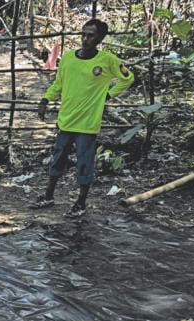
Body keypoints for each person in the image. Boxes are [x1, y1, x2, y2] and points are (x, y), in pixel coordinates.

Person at [33, 18, 134, 218]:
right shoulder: (69, 58)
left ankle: (80, 203)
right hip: (66, 121)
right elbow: (58, 84)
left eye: (91, 35)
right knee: (57, 159)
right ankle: (48, 195)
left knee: (84, 163)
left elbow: (128, 78)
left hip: (88, 124)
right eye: (84, 34)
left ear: (100, 38)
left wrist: (108, 94)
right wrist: (45, 100)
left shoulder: (107, 60)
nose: (86, 39)